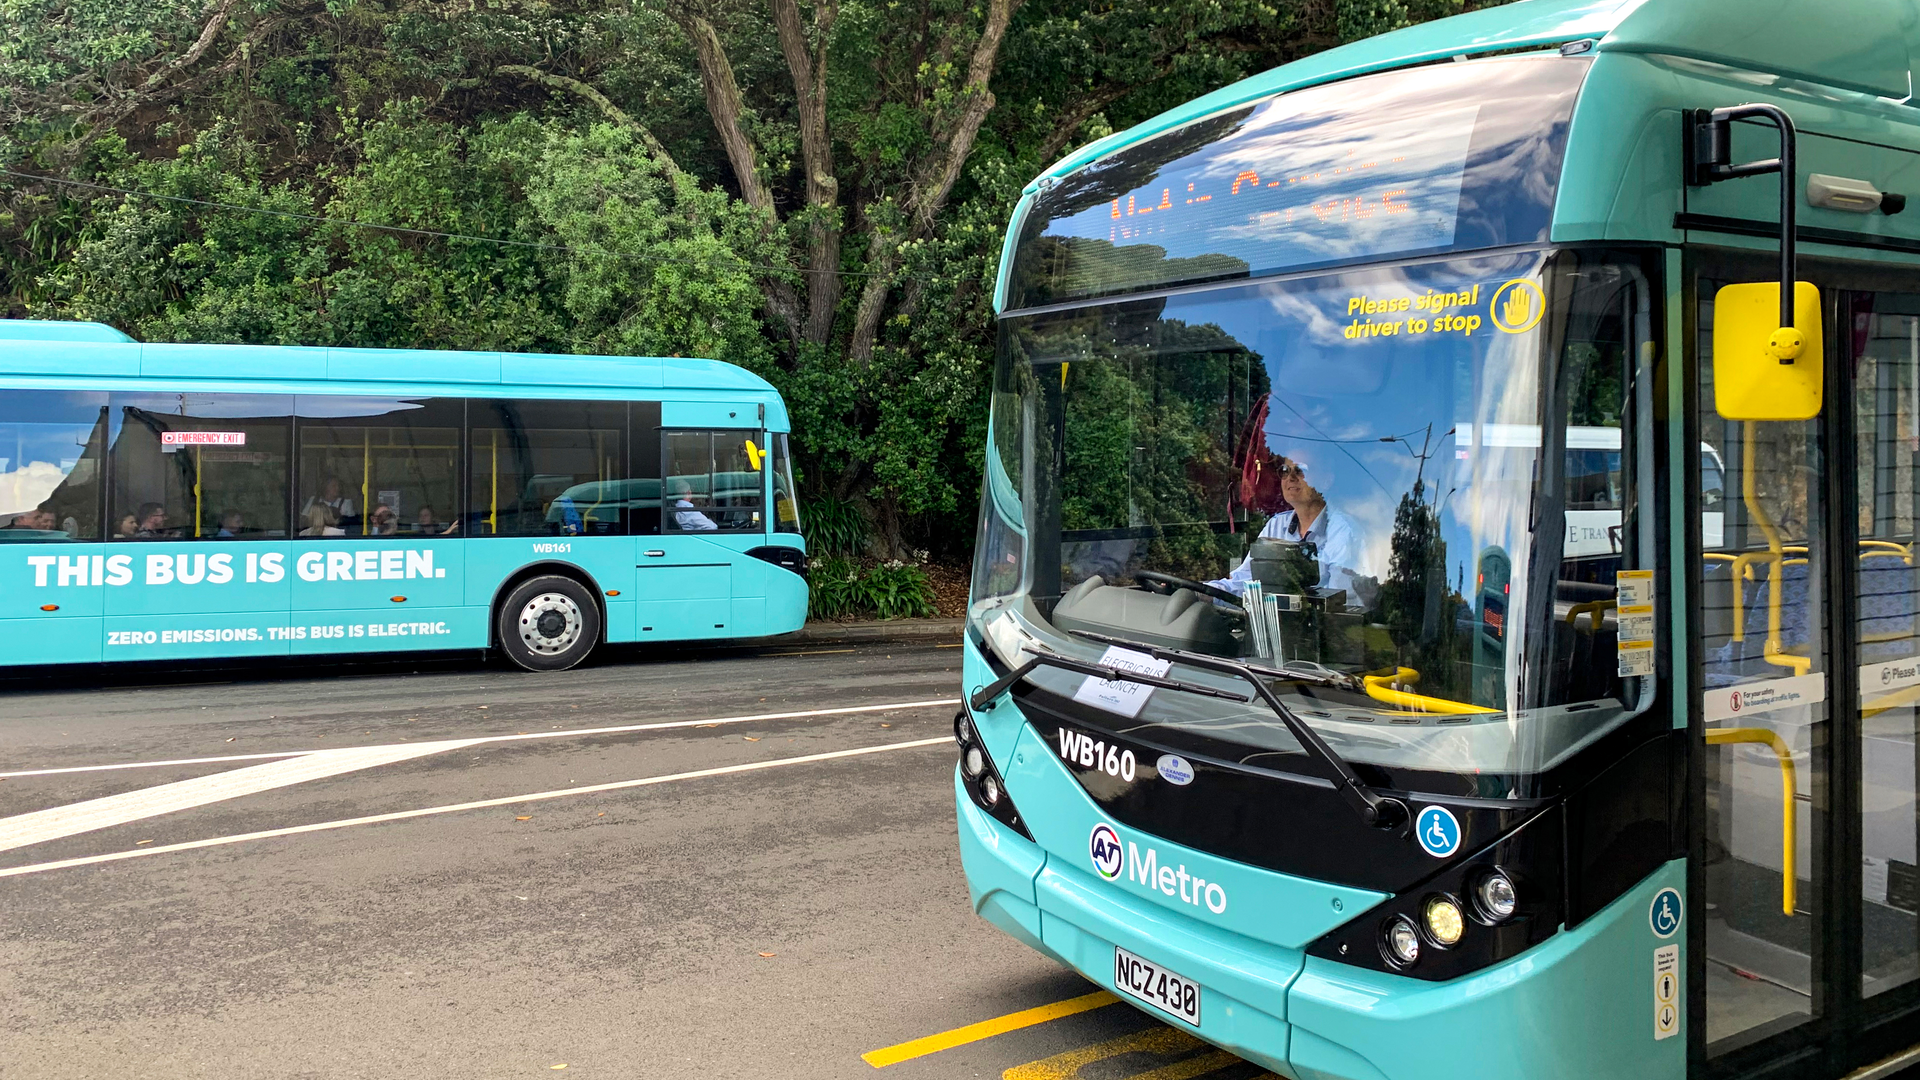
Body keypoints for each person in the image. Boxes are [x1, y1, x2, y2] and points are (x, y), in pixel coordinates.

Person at [1209, 450, 1368, 600]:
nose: (1290, 477)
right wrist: (1202, 592)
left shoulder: (1344, 531)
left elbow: (1338, 603)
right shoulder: (1276, 526)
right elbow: (1244, 583)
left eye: (1300, 470)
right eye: (1285, 470)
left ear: (1326, 480)